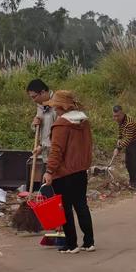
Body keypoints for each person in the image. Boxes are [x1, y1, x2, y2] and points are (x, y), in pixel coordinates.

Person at [42, 90, 94, 254]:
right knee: (81, 205)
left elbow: (57, 150)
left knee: (65, 208)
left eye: (56, 107)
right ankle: (89, 242)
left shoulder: (61, 125)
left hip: (64, 173)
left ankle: (71, 244)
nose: (55, 110)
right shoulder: (83, 122)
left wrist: (49, 171)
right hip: (80, 170)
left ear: (61, 107)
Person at [112, 105, 136, 191]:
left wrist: (118, 148)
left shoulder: (129, 123)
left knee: (135, 162)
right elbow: (121, 130)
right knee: (128, 162)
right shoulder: (120, 120)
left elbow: (128, 139)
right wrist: (119, 139)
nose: (116, 118)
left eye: (117, 116)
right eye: (114, 116)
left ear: (122, 113)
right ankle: (132, 182)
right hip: (130, 141)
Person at [26, 79, 56, 162]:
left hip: (57, 155)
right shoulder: (40, 105)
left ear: (42, 92)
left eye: (34, 97)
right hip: (46, 155)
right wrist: (34, 124)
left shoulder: (57, 105)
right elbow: (38, 128)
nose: (33, 100)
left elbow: (59, 133)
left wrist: (43, 147)